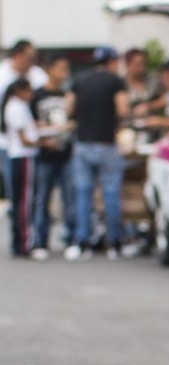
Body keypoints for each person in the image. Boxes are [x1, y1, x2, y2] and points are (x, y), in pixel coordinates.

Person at [65, 46, 129, 261]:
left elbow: (68, 109)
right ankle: (115, 243)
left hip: (83, 144)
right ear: (111, 61)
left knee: (83, 194)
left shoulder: (79, 81)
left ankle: (83, 242)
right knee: (111, 193)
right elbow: (123, 110)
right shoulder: (115, 82)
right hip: (107, 143)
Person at [31, 56, 75, 261]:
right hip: (44, 155)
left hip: (66, 153)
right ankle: (40, 241)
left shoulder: (68, 94)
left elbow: (74, 119)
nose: (65, 73)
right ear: (49, 69)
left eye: (67, 69)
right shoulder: (37, 95)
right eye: (61, 68)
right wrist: (45, 136)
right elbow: (30, 124)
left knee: (69, 199)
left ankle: (70, 240)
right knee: (43, 199)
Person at [0, 39, 47, 219]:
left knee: (31, 191)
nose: (32, 61)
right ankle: (20, 226)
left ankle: (26, 224)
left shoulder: (37, 75)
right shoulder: (2, 74)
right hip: (9, 143)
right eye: (29, 57)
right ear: (17, 56)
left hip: (30, 146)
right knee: (16, 191)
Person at [3, 78, 37, 257]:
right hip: (22, 156)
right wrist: (45, 142)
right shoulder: (16, 107)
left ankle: (18, 242)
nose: (31, 94)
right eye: (29, 90)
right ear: (20, 90)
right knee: (23, 202)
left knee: (19, 201)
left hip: (18, 156)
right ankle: (23, 243)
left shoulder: (15, 105)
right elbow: (24, 138)